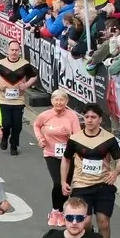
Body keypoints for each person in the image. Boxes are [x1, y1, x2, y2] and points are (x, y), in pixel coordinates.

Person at [61, 104, 120, 238]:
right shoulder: (75, 139)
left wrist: (115, 172)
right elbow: (65, 160)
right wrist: (63, 181)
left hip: (103, 184)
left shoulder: (108, 139)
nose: (89, 120)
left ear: (100, 120)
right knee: (86, 222)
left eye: (93, 117)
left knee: (104, 222)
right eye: (87, 117)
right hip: (81, 185)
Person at [33, 89, 82, 227]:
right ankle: (55, 210)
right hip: (51, 153)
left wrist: (68, 135)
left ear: (66, 102)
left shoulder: (72, 116)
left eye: (62, 100)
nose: (59, 103)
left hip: (68, 156)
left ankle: (61, 211)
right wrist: (40, 138)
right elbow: (36, 125)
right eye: (56, 100)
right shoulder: (45, 115)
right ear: (52, 101)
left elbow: (78, 136)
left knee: (65, 185)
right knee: (57, 183)